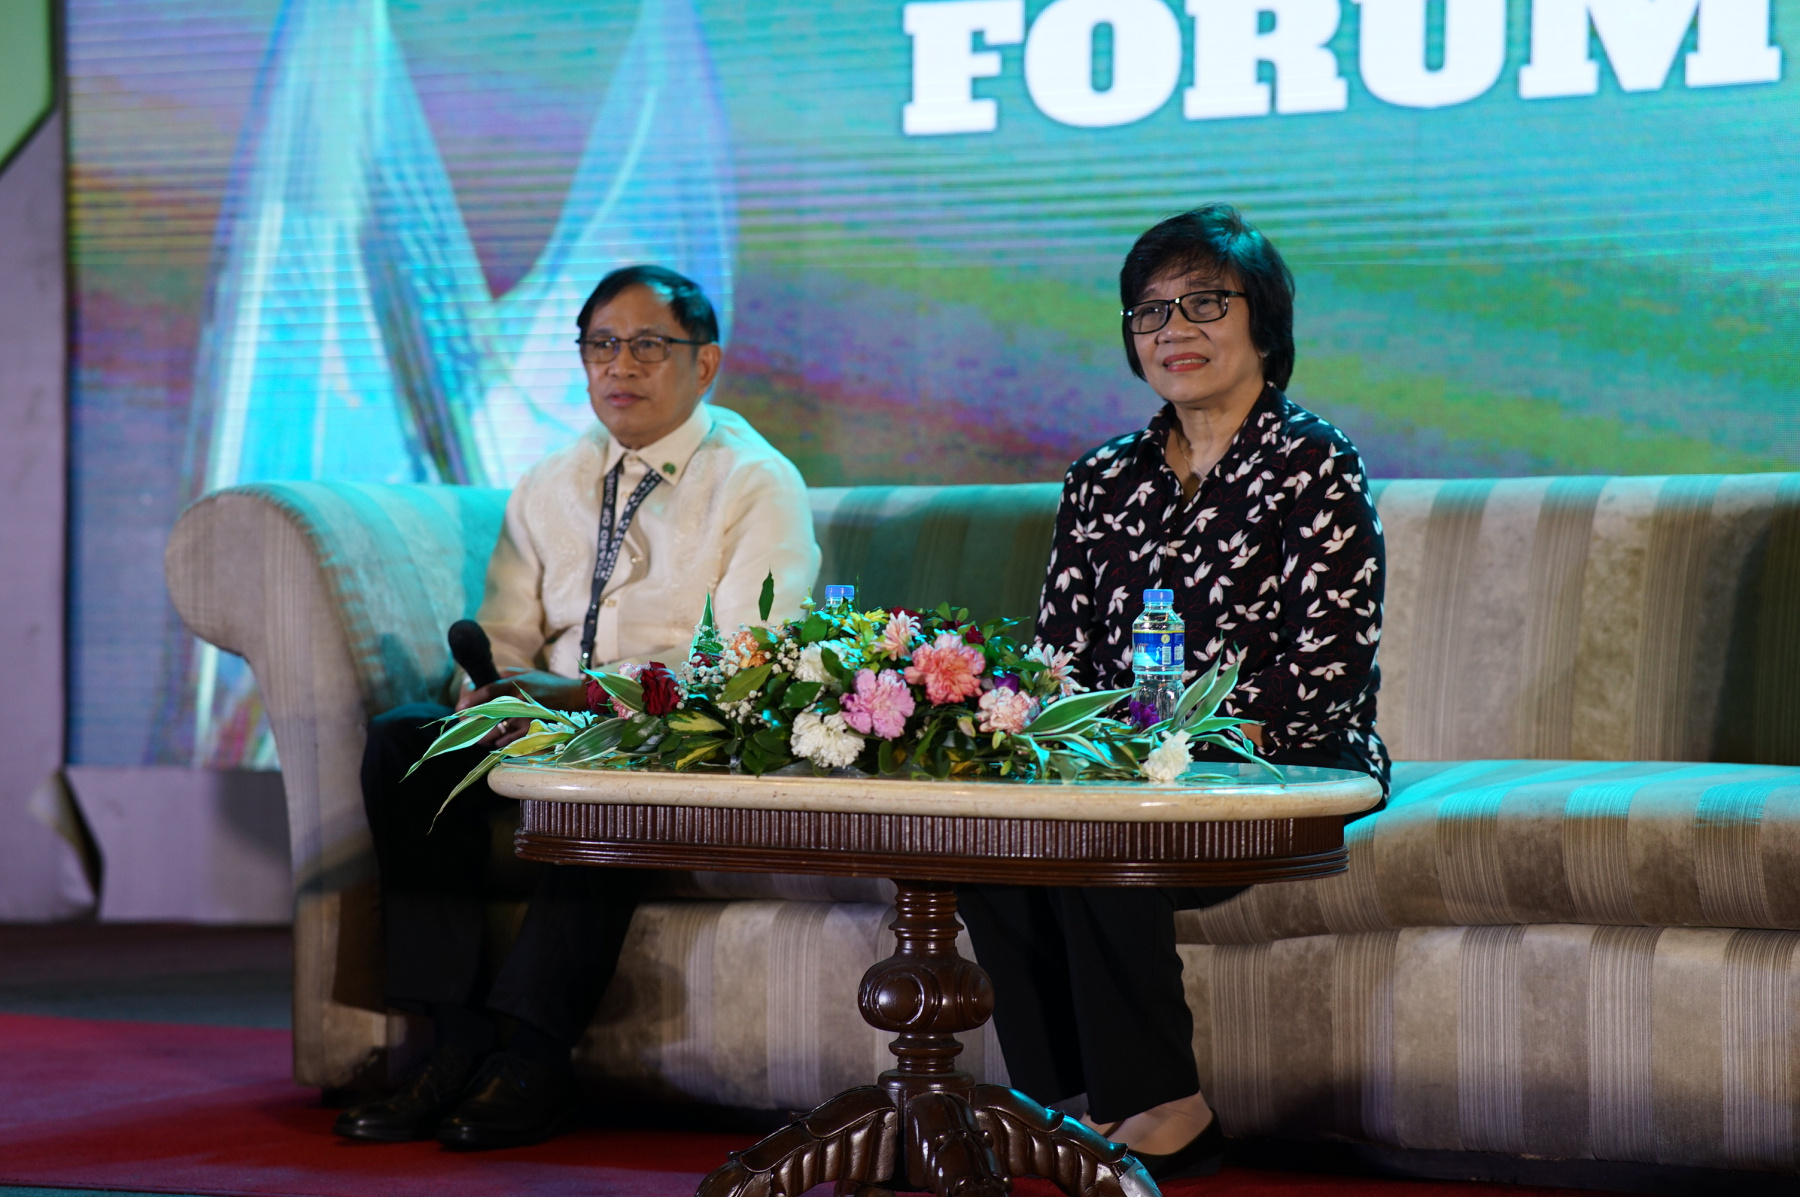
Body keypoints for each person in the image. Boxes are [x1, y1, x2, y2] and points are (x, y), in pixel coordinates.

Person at [334, 265, 820, 1149]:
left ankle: (532, 1056)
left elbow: (752, 662)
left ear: (705, 363)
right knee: (404, 739)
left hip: (672, 728)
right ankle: (453, 1043)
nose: (619, 366)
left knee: (613, 762)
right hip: (543, 723)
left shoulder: (755, 481)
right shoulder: (551, 480)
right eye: (601, 345)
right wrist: (498, 692)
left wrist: (592, 696)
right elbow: (505, 628)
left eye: (647, 345)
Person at [956, 205, 1389, 1180]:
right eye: (1150, 311)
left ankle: (1168, 1107)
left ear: (1264, 322)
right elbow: (1060, 662)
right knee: (994, 838)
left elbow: (1328, 672)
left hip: (1283, 762)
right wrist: (1090, 741)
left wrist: (1165, 745)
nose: (1173, 330)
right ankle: (1068, 1099)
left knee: (1109, 830)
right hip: (1123, 760)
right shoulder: (1101, 477)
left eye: (1204, 303)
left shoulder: (1314, 462)